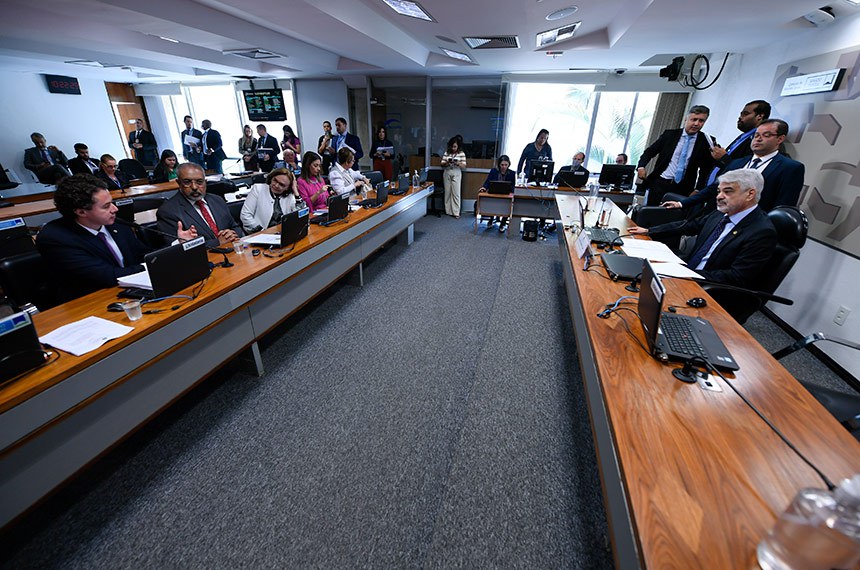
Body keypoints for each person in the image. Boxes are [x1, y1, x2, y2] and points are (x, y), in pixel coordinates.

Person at [35, 174, 196, 302]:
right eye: (106, 206)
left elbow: (143, 254)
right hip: (90, 303)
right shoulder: (56, 238)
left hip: (130, 294)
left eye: (112, 202)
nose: (115, 209)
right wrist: (151, 265)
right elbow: (108, 276)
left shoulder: (114, 224)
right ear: (81, 212)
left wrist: (178, 244)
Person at [628, 169, 776, 290]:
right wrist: (649, 230)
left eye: (728, 191)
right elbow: (688, 225)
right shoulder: (720, 213)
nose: (719, 197)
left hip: (711, 290)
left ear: (750, 194)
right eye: (719, 191)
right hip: (686, 275)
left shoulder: (761, 231)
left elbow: (736, 277)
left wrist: (686, 274)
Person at [662, 119, 804, 213]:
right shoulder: (737, 163)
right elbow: (712, 189)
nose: (758, 139)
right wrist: (682, 204)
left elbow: (782, 207)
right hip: (718, 219)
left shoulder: (790, 168)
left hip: (752, 232)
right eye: (756, 135)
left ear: (780, 138)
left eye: (766, 135)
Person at [637, 105, 715, 205]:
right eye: (694, 119)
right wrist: (641, 167)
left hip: (684, 188)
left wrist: (698, 189)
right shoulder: (669, 135)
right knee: (651, 214)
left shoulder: (706, 141)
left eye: (701, 121)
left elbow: (706, 169)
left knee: (673, 217)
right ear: (686, 119)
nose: (696, 124)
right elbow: (649, 152)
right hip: (660, 183)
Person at [156, 162, 243, 247]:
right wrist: (217, 242)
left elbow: (235, 226)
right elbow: (173, 249)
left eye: (199, 182)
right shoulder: (167, 211)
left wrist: (232, 234)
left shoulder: (217, 200)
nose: (194, 187)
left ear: (205, 182)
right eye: (187, 182)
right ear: (179, 183)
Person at [705, 100, 772, 185]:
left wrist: (724, 158)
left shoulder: (758, 142)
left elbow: (746, 171)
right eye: (741, 114)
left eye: (745, 114)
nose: (740, 117)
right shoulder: (743, 137)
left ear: (759, 116)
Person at [239, 168, 299, 234]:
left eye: (281, 185)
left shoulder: (289, 196)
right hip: (258, 233)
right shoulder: (258, 189)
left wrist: (295, 192)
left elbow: (301, 216)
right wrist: (263, 232)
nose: (276, 185)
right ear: (271, 178)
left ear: (287, 188)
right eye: (275, 180)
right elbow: (245, 215)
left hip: (282, 234)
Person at [478, 154, 516, 231]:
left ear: (509, 164)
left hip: (506, 195)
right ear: (499, 165)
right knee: (493, 203)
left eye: (506, 165)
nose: (504, 167)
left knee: (507, 206)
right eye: (502, 165)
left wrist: (510, 190)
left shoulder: (512, 173)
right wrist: (484, 187)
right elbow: (487, 182)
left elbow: (513, 186)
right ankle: (491, 219)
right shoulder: (493, 171)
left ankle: (503, 224)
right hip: (494, 193)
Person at [441, 136, 467, 218]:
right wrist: (447, 163)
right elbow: (442, 164)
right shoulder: (447, 153)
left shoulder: (461, 153)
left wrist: (457, 163)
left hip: (456, 172)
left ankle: (456, 212)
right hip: (447, 171)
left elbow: (464, 166)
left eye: (455, 146)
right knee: (447, 192)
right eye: (452, 146)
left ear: (458, 146)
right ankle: (448, 211)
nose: (453, 148)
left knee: (456, 193)